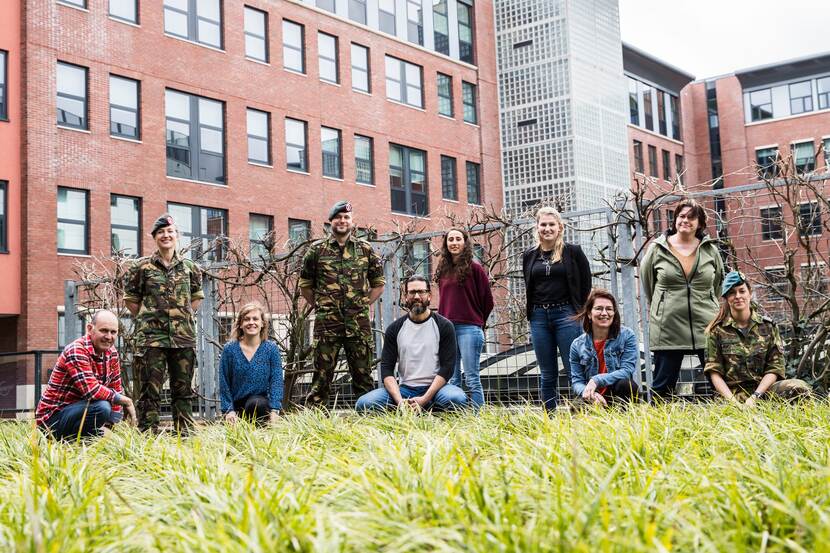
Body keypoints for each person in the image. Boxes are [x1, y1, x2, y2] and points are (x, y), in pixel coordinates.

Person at [299, 200, 385, 406]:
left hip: (358, 325)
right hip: (327, 325)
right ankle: (317, 422)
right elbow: (305, 285)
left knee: (363, 376)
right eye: (338, 217)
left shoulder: (365, 249)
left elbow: (378, 283)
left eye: (346, 217)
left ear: (352, 222)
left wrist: (363, 305)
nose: (342, 221)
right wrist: (321, 306)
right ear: (331, 221)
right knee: (321, 377)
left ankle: (368, 418)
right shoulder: (316, 250)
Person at [124, 213, 204, 433]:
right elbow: (132, 301)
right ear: (154, 237)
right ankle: (148, 435)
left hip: (183, 339)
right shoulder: (141, 268)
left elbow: (196, 298)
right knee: (149, 391)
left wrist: (180, 316)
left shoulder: (190, 267)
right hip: (152, 339)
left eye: (170, 231)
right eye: (161, 232)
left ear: (177, 236)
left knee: (184, 390)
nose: (166, 235)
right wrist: (150, 317)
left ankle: (184, 435)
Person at [640, 198, 723, 398]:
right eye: (681, 216)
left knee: (719, 382)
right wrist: (665, 305)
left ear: (700, 224)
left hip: (706, 325)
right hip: (668, 327)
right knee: (662, 387)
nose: (685, 220)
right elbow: (648, 283)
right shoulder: (657, 248)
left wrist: (707, 304)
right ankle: (656, 425)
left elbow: (717, 284)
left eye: (691, 217)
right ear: (675, 219)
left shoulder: (710, 249)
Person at [355, 276, 467, 412]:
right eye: (412, 292)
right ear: (405, 297)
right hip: (405, 390)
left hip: (437, 390)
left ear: (429, 295)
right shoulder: (395, 328)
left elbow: (447, 368)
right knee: (364, 404)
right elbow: (386, 370)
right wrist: (400, 401)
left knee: (456, 399)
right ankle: (408, 409)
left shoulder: (444, 326)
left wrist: (425, 398)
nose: (417, 296)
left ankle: (426, 407)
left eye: (421, 291)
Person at [522, 206, 592, 411]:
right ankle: (549, 417)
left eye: (551, 224)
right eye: (543, 224)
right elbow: (530, 285)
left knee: (574, 369)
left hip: (566, 316)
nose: (547, 228)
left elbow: (585, 283)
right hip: (539, 317)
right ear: (537, 227)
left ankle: (582, 413)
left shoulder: (573, 252)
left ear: (560, 227)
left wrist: (577, 310)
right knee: (547, 372)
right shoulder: (529, 255)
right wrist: (534, 313)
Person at [704, 271, 811, 404]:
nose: (738, 296)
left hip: (764, 391)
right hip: (731, 395)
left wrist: (755, 396)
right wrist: (734, 403)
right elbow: (714, 372)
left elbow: (775, 367)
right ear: (726, 298)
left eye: (742, 291)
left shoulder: (768, 326)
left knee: (798, 387)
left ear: (749, 293)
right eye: (732, 293)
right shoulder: (716, 331)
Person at [36, 310, 136, 439]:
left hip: (81, 412)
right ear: (90, 329)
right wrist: (126, 401)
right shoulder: (76, 350)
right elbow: (92, 391)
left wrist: (112, 423)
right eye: (104, 330)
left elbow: (115, 387)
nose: (109, 336)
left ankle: (90, 438)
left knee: (111, 433)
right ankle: (75, 440)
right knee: (102, 407)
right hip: (52, 420)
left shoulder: (112, 353)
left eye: (113, 332)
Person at [435, 227, 494, 408]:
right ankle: (457, 415)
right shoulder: (443, 270)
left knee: (471, 377)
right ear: (446, 243)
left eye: (458, 239)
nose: (454, 243)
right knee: (452, 378)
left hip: (469, 329)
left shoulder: (475, 269)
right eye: (450, 239)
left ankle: (478, 417)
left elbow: (488, 300)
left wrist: (477, 321)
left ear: (465, 242)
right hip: (448, 330)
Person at [569, 290, 639, 406]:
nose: (604, 313)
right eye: (599, 308)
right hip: (593, 395)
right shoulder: (577, 345)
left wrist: (596, 380)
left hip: (616, 392)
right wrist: (590, 394)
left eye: (609, 309)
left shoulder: (627, 336)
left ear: (614, 313)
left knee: (627, 385)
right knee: (577, 405)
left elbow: (627, 371)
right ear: (589, 313)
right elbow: (577, 381)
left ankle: (625, 421)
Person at [218, 302, 284, 425]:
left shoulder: (271, 349)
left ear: (262, 323)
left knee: (256, 404)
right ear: (240, 324)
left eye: (255, 319)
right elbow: (224, 382)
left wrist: (275, 410)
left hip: (260, 406)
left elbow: (276, 381)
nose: (251, 322)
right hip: (236, 408)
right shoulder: (229, 349)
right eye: (246, 319)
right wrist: (229, 411)